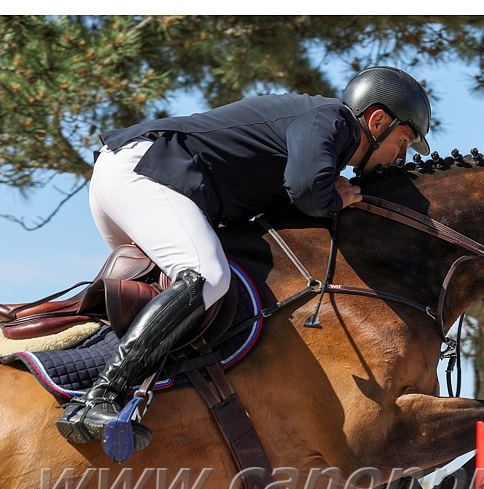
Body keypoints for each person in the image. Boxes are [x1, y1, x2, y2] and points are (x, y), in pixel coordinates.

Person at [55, 66, 432, 458]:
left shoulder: (323, 139)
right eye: (403, 141)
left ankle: (116, 383)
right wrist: (337, 198)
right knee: (208, 276)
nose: (401, 157)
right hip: (146, 172)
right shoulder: (331, 119)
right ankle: (99, 397)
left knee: (181, 305)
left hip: (132, 178)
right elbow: (305, 190)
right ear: (376, 120)